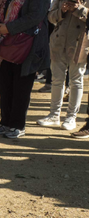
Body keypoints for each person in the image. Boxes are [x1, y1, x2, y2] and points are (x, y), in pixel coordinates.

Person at [0, 0, 50, 139]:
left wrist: (8, 28)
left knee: (21, 87)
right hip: (6, 45)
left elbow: (35, 16)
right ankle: (5, 122)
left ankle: (17, 125)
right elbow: (2, 11)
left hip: (28, 46)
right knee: (5, 84)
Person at [35, 0, 88, 131]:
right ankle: (54, 115)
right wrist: (61, 11)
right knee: (57, 80)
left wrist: (78, 9)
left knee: (76, 81)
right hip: (58, 42)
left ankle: (71, 117)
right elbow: (50, 17)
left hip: (79, 43)